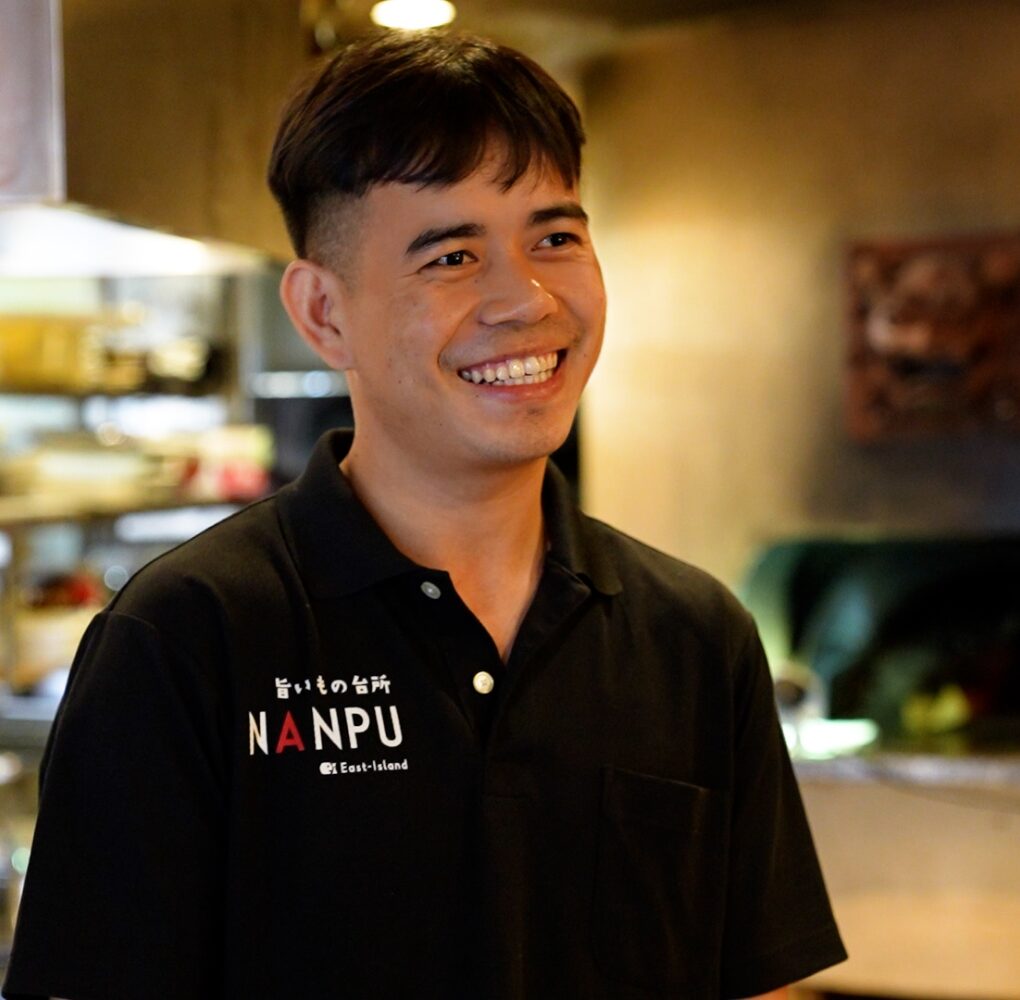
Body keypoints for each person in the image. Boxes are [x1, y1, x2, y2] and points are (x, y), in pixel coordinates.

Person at [4, 31, 846, 1000]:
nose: (525, 298)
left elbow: (759, 982)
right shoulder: (187, 637)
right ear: (323, 314)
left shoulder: (694, 635)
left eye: (555, 238)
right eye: (452, 255)